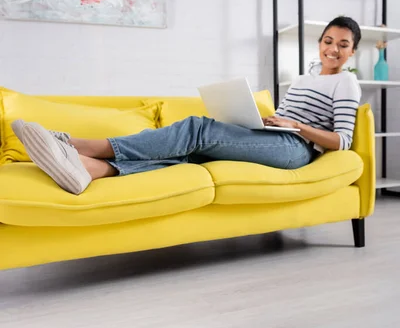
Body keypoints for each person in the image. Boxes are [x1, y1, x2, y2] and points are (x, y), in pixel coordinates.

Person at [13, 15, 362, 195]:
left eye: (343, 45)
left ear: (352, 51)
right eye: (328, 41)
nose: (333, 49)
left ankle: (82, 145)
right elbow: (286, 115)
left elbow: (342, 140)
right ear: (320, 43)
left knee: (196, 128)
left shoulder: (346, 81)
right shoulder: (303, 78)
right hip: (276, 137)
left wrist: (296, 127)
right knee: (192, 153)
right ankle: (93, 170)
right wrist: (267, 120)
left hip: (297, 148)